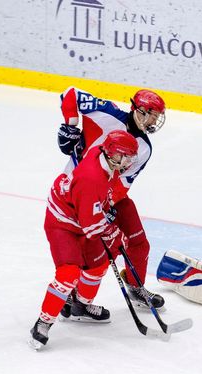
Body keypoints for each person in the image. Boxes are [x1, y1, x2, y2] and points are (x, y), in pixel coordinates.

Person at [56, 87, 166, 314]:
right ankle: (72, 296)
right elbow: (71, 94)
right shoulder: (107, 113)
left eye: (158, 117)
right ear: (140, 110)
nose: (155, 121)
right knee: (94, 249)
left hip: (107, 197)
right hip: (79, 192)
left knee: (138, 239)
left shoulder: (144, 148)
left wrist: (108, 204)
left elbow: (122, 184)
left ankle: (136, 287)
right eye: (153, 114)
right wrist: (70, 126)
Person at [29, 130, 139, 350]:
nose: (127, 161)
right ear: (112, 153)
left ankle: (80, 306)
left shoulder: (107, 160)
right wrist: (112, 233)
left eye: (130, 156)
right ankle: (43, 323)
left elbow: (98, 205)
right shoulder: (90, 178)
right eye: (124, 155)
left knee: (98, 265)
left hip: (81, 215)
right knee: (69, 273)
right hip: (62, 222)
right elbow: (91, 225)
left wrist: (106, 215)